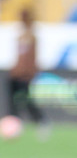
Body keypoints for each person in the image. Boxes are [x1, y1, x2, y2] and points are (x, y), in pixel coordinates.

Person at [7, 8, 47, 137]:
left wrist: (29, 72)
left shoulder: (31, 37)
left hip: (26, 75)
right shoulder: (21, 36)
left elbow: (31, 58)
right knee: (13, 101)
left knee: (27, 100)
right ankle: (14, 124)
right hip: (16, 74)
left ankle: (41, 121)